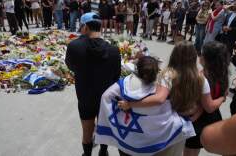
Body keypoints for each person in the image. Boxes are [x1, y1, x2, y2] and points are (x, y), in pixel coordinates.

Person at [118, 41, 226, 156]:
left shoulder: (169, 74)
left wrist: (130, 104)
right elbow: (208, 106)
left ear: (174, 55)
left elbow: (159, 99)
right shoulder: (201, 78)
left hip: (168, 124)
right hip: (185, 125)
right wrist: (222, 98)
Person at [96, 56, 196, 156]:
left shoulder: (125, 83)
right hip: (149, 144)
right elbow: (167, 116)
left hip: (125, 140)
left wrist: (118, 109)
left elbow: (106, 96)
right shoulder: (158, 93)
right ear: (156, 72)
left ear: (138, 69)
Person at [65, 12, 121, 156]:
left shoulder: (74, 47)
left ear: (84, 27)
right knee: (104, 128)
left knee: (87, 131)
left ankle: (87, 154)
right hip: (106, 98)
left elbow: (71, 66)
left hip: (85, 96)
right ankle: (103, 152)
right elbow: (116, 76)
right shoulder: (114, 51)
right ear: (100, 27)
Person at [184, 41, 229, 156]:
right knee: (195, 149)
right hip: (211, 117)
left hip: (199, 120)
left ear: (208, 59)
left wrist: (222, 98)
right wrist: (222, 98)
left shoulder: (203, 77)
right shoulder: (222, 73)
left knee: (190, 151)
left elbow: (208, 107)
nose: (199, 55)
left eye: (202, 54)